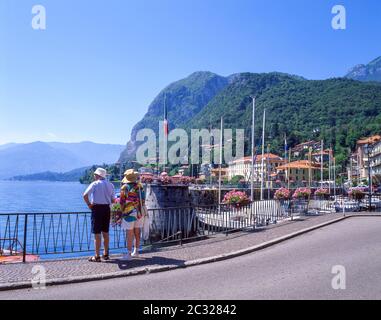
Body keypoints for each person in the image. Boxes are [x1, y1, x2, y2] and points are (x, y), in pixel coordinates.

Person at [83, 167, 115, 262]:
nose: (94, 176)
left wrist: (89, 204)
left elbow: (84, 195)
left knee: (97, 234)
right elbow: (113, 200)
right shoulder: (111, 185)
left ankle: (97, 256)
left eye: (95, 174)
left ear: (98, 175)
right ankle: (105, 254)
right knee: (106, 233)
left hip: (97, 209)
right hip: (107, 209)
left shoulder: (95, 184)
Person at [120, 169, 145, 260]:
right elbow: (143, 200)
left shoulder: (125, 187)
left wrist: (121, 212)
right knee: (137, 232)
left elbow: (122, 202)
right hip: (139, 212)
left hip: (129, 213)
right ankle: (136, 251)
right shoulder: (140, 186)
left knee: (129, 233)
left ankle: (129, 254)